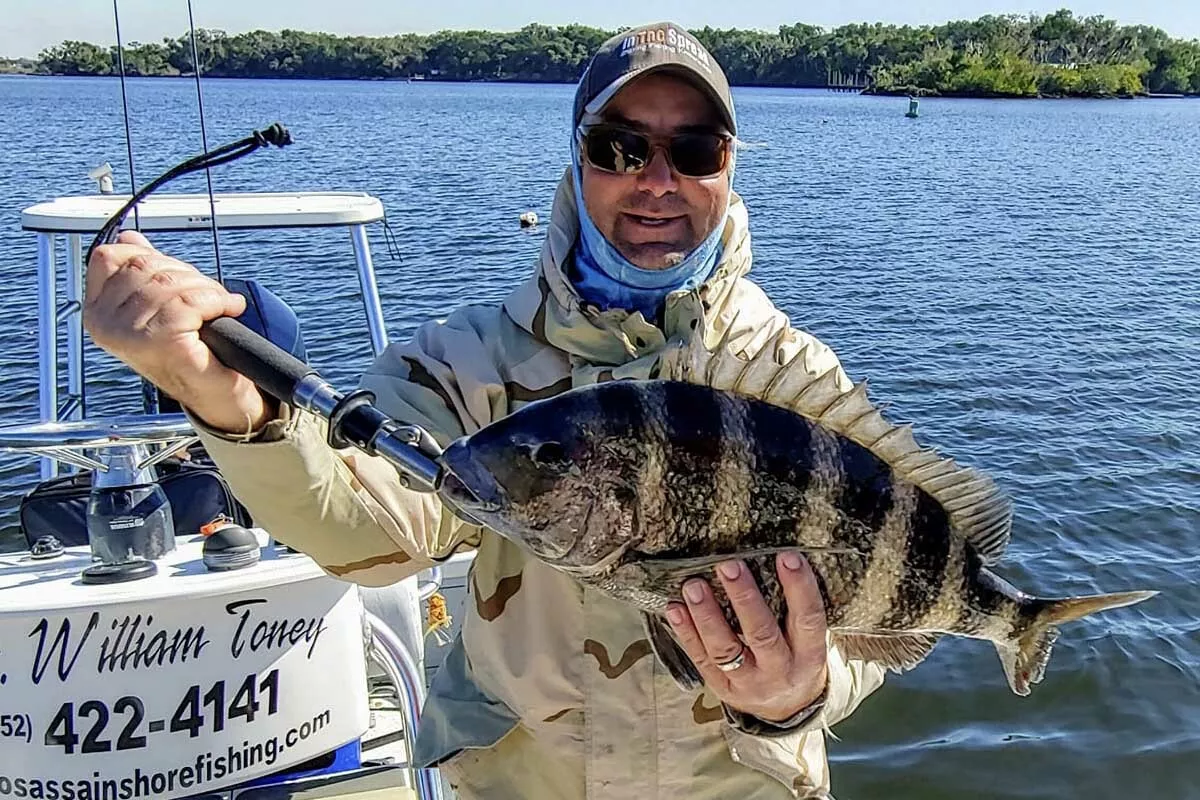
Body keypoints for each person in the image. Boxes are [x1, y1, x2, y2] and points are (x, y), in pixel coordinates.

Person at [84, 21, 886, 799]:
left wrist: (803, 691)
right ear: (578, 162)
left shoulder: (795, 374)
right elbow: (371, 532)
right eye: (619, 147)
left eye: (694, 149)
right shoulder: (466, 363)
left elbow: (888, 598)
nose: (656, 179)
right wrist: (229, 403)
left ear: (729, 165)